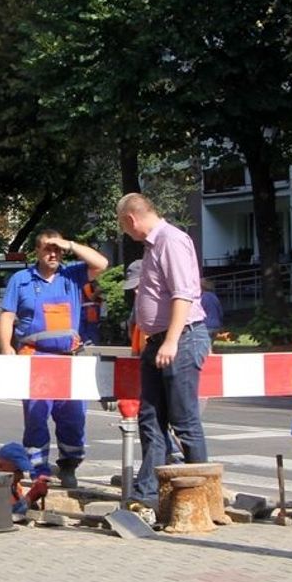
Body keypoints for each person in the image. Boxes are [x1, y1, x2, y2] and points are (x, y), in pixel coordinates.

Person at [116, 193, 211, 509]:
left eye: (123, 226)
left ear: (131, 219)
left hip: (181, 339)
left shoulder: (171, 241)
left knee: (184, 421)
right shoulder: (154, 246)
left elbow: (184, 294)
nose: (125, 233)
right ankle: (148, 495)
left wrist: (170, 340)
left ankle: (201, 498)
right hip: (160, 341)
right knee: (151, 418)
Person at [0, 229, 109, 487]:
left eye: (57, 250)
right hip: (35, 357)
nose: (53, 254)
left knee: (73, 416)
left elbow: (101, 263)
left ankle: (69, 465)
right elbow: (7, 316)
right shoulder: (22, 280)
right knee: (36, 416)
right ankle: (39, 472)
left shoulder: (71, 275)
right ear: (37, 251)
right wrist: (6, 347)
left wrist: (69, 242)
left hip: (68, 359)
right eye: (48, 249)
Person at [0, 441, 49, 515]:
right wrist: (31, 496)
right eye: (18, 471)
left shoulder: (13, 486)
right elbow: (7, 515)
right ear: (0, 466)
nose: (21, 476)